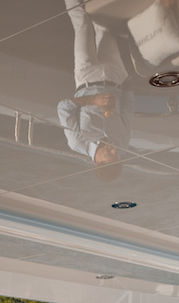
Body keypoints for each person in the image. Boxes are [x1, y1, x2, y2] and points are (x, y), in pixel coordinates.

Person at [58, 0, 134, 180]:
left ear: (97, 162)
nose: (115, 149)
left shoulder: (77, 142)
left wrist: (93, 101)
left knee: (83, 23)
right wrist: (127, 82)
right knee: (104, 27)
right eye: (117, 155)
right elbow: (127, 111)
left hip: (87, 76)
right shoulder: (122, 145)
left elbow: (63, 107)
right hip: (115, 76)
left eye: (111, 154)